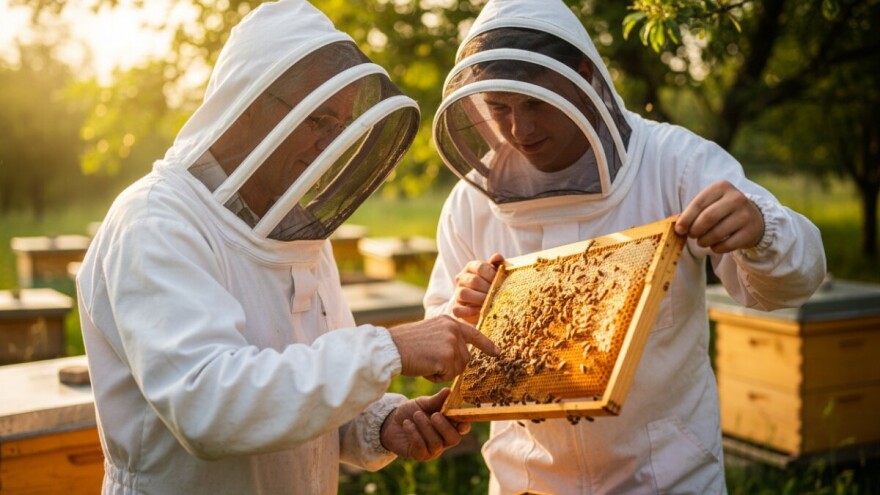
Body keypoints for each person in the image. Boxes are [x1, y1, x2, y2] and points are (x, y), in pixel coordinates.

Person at [75, 1, 499, 493]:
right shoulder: (155, 221)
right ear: (252, 102)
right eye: (317, 120)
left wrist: (379, 425)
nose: (329, 146)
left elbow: (304, 389)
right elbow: (209, 406)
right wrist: (390, 347)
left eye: (339, 126)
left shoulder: (297, 231)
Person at [425, 0, 827, 493]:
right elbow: (437, 341)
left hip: (664, 476)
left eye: (536, 103)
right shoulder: (472, 200)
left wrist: (762, 230)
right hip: (525, 478)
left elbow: (790, 285)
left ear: (583, 76)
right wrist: (461, 313)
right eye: (500, 109)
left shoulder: (676, 162)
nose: (520, 130)